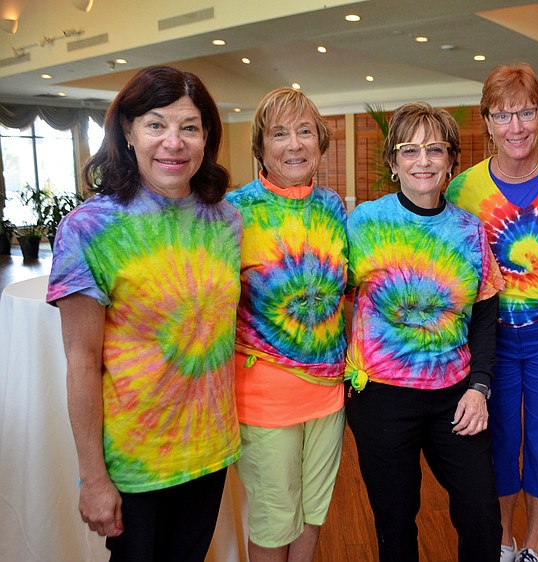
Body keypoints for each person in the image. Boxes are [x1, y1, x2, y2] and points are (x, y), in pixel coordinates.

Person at [46, 65, 241, 561]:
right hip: (136, 461)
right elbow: (82, 362)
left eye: (189, 127)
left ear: (206, 138)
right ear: (128, 132)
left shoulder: (226, 220)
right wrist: (92, 477)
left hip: (209, 448)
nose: (174, 142)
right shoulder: (89, 228)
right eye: (156, 124)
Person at [345, 102, 504, 561]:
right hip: (381, 397)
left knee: (481, 513)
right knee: (395, 522)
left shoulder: (469, 230)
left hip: (455, 395)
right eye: (409, 150)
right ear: (393, 163)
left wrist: (479, 387)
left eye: (435, 149)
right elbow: (333, 295)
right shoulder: (365, 223)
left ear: (451, 161)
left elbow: (485, 315)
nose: (423, 160)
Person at [445, 62, 538, 562]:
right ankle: (504, 538)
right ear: (487, 122)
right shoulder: (463, 190)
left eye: (525, 113)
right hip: (492, 340)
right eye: (502, 116)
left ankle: (534, 543)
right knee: (500, 443)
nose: (516, 127)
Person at [224, 87, 348, 562]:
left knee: (313, 516)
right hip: (264, 398)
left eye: (304, 132)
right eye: (279, 134)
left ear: (320, 142)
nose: (294, 144)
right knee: (275, 523)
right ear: (260, 147)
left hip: (328, 394)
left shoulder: (333, 206)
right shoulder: (234, 211)